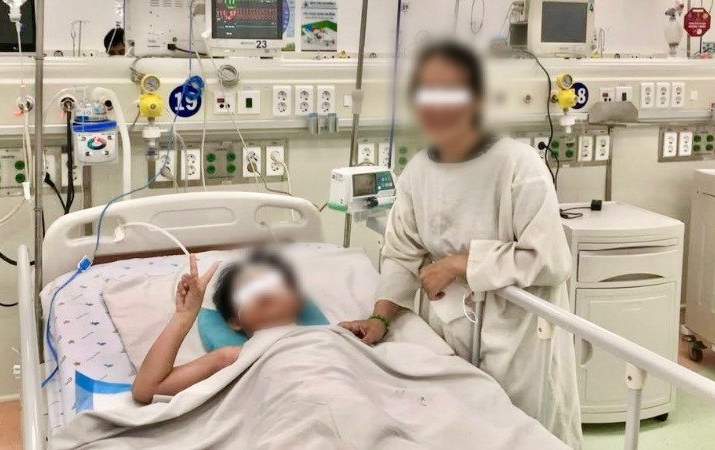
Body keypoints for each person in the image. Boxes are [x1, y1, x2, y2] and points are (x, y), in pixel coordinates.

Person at [338, 41, 582, 448]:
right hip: (451, 329)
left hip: (521, 337)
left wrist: (459, 264)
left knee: (528, 433)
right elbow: (401, 254)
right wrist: (380, 318)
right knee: (461, 429)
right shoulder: (419, 171)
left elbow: (550, 260)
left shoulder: (519, 165)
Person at [132, 251, 305, 404]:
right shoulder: (239, 356)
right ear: (236, 322)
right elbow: (146, 390)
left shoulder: (321, 335)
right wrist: (184, 315)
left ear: (297, 298)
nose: (262, 290)